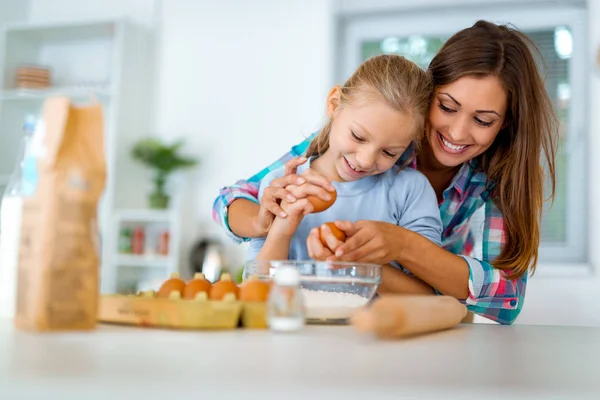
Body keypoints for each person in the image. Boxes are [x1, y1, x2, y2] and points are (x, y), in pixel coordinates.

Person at [212, 20, 559, 325]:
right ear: (428, 96)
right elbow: (232, 200)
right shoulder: (353, 142)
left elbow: (506, 300)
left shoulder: (488, 183)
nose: (457, 132)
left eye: (483, 120)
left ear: (504, 125)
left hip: (408, 325)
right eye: (447, 107)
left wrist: (400, 246)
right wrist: (265, 220)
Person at [247, 55, 443, 295]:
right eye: (358, 137)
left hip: (378, 331)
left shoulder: (410, 191)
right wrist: (282, 229)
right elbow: (257, 292)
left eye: (389, 152)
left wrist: (358, 261)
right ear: (334, 104)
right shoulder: (283, 186)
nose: (365, 160)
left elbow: (426, 296)